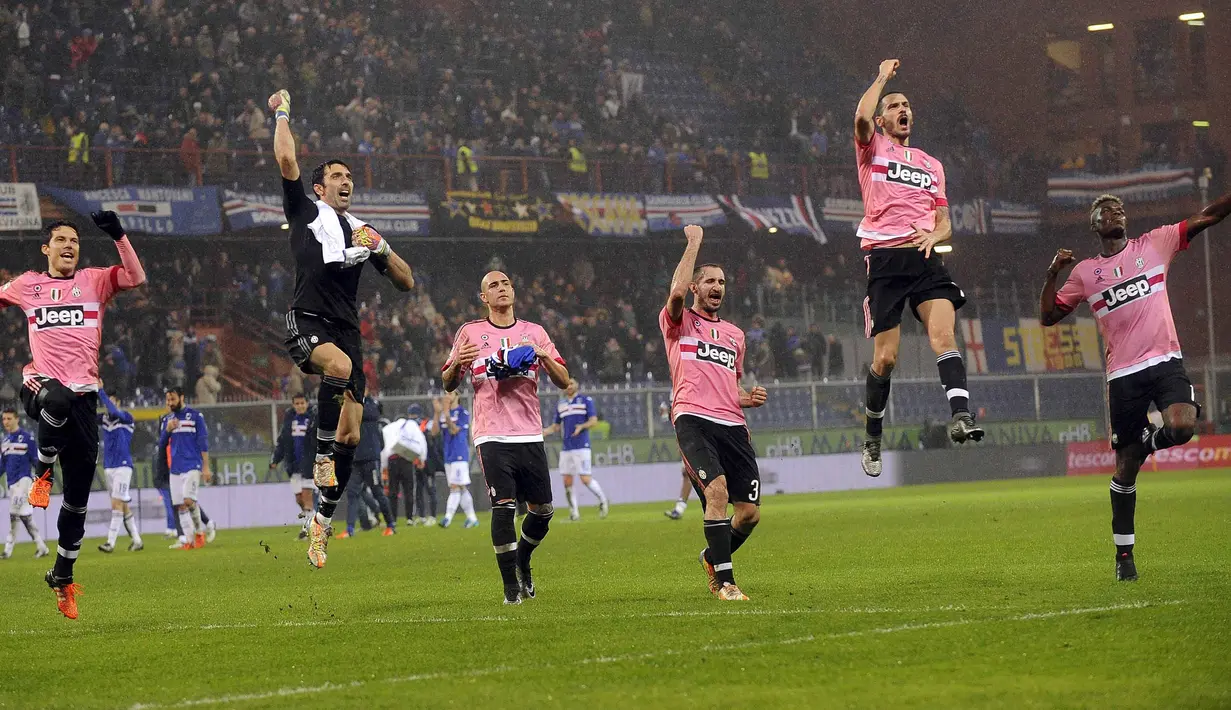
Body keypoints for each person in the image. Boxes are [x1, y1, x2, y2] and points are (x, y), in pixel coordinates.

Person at [1039, 189, 1231, 581]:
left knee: (1181, 426)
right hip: (1123, 376)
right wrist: (1051, 274)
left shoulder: (1156, 243)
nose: (1116, 212)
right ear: (1096, 224)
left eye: (1120, 208)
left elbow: (1206, 216)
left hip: (1165, 362)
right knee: (1125, 470)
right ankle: (1124, 556)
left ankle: (1148, 443)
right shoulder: (1085, 273)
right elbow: (1047, 316)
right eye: (1107, 210)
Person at [268, 88, 415, 569]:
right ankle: (321, 457)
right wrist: (283, 110)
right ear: (319, 188)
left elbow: (406, 282)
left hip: (346, 330)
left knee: (352, 436)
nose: (345, 181)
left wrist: (381, 250)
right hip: (308, 319)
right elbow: (287, 156)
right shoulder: (305, 212)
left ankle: (322, 524)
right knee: (339, 366)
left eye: (349, 176)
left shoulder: (361, 229)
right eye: (336, 176)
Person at [0, 212, 145, 619]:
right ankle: (43, 472)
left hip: (85, 399)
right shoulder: (28, 285)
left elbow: (134, 277)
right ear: (46, 248)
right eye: (60, 240)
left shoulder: (94, 281)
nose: (68, 246)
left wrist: (118, 234)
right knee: (57, 400)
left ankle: (63, 577)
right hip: (40, 388)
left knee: (79, 499)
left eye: (75, 241)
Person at [853, 59, 982, 479]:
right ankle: (873, 434)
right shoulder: (871, 147)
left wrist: (936, 233)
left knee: (943, 334)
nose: (903, 110)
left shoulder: (932, 164)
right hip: (886, 260)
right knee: (887, 359)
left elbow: (944, 218)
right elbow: (859, 116)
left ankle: (961, 416)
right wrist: (882, 79)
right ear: (882, 118)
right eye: (894, 106)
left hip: (926, 258)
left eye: (907, 105)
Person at [442, 271, 570, 605]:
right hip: (491, 433)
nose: (501, 289)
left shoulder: (534, 332)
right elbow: (447, 382)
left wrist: (542, 356)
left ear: (513, 291)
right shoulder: (470, 332)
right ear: (483, 297)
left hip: (529, 431)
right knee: (503, 505)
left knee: (542, 510)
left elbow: (563, 378)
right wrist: (457, 363)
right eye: (493, 286)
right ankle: (510, 589)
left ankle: (522, 561)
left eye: (505, 284)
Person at [659, 225, 768, 601]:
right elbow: (674, 292)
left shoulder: (736, 336)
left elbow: (730, 385)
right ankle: (725, 583)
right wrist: (693, 243)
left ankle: (712, 557)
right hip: (693, 418)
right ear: (695, 287)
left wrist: (745, 398)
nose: (717, 287)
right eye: (709, 281)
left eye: (721, 281)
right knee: (716, 492)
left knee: (750, 513)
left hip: (734, 425)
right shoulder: (678, 323)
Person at [543, 378, 609, 521]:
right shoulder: (561, 404)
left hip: (582, 446)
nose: (569, 386)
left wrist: (581, 427)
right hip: (567, 447)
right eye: (567, 384)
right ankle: (574, 513)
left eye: (571, 383)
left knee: (585, 479)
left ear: (577, 385)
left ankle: (603, 500)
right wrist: (544, 432)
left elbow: (593, 420)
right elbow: (556, 426)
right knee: (567, 481)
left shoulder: (585, 400)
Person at [159, 387, 212, 550]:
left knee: (189, 500)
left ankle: (199, 532)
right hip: (175, 467)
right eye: (168, 399)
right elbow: (161, 445)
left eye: (173, 399)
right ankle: (189, 540)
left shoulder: (195, 416)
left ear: (181, 397)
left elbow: (203, 442)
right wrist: (167, 431)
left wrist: (206, 467)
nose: (170, 403)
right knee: (180, 505)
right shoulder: (167, 420)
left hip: (192, 465)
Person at [340, 395, 396, 538]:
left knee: (377, 492)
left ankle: (391, 525)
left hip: (370, 459)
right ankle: (350, 529)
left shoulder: (371, 404)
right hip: (355, 459)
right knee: (352, 493)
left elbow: (371, 413)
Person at [97, 389, 143, 552]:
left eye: (112, 401)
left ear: (118, 402)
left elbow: (113, 411)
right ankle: (137, 540)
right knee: (121, 505)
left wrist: (100, 391)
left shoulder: (126, 417)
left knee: (116, 503)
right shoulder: (103, 419)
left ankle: (110, 543)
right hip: (109, 467)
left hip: (123, 466)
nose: (109, 405)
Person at [1, 407, 49, 559]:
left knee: (13, 513)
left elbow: (36, 460)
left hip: (24, 480)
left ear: (17, 419)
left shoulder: (27, 438)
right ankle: (42, 546)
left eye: (9, 418)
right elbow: (2, 465)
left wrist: (43, 479)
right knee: (23, 516)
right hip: (12, 483)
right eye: (4, 419)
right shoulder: (5, 441)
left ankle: (7, 550)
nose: (6, 422)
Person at [270, 393, 317, 539]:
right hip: (293, 465)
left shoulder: (314, 418)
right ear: (293, 405)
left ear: (307, 403)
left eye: (302, 403)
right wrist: (276, 459)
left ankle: (305, 531)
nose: (300, 406)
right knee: (299, 499)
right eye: (297, 404)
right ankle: (317, 523)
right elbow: (283, 441)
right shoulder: (289, 420)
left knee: (307, 498)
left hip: (309, 464)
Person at [437, 391, 479, 529]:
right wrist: (438, 413)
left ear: (457, 396)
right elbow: (434, 432)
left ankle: (448, 519)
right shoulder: (444, 414)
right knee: (460, 487)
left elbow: (454, 430)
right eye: (446, 393)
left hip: (459, 454)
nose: (447, 396)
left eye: (450, 393)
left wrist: (446, 413)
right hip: (448, 454)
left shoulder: (463, 413)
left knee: (455, 486)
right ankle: (472, 518)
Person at [410, 403, 439, 526]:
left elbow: (433, 436)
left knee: (429, 489)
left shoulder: (427, 424)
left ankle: (432, 516)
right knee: (420, 490)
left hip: (428, 462)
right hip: (418, 461)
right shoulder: (416, 425)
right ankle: (422, 516)